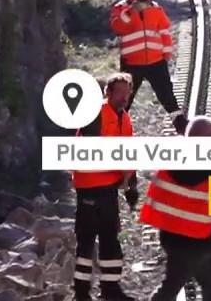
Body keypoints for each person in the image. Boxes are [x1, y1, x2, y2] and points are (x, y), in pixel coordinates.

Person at [141, 115, 211, 301]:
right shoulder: (209, 173)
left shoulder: (167, 167)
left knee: (173, 285)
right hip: (201, 243)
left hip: (173, 240)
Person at [72, 73, 139, 301]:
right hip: (90, 188)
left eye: (127, 92)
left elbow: (128, 153)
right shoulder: (95, 114)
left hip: (107, 189)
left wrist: (131, 184)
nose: (124, 97)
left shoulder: (125, 118)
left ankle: (111, 290)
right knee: (87, 240)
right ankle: (81, 293)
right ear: (108, 93)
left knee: (110, 238)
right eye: (119, 92)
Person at [109, 0, 186, 132]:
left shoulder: (155, 8)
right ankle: (114, 128)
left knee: (167, 96)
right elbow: (117, 27)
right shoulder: (121, 8)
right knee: (124, 99)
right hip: (132, 63)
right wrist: (131, 12)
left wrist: (167, 53)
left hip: (156, 62)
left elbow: (164, 31)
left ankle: (181, 126)